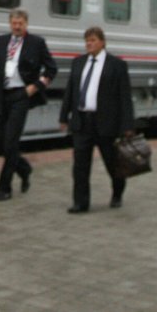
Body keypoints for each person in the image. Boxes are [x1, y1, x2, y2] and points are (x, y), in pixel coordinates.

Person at [0, 9, 57, 202]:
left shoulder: (36, 43)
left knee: (11, 141)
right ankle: (23, 168)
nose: (17, 26)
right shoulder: (1, 41)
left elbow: (51, 69)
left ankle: (4, 188)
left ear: (26, 24)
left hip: (20, 96)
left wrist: (35, 87)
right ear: (10, 23)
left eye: (20, 23)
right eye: (14, 23)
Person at [59, 26, 135, 213]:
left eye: (92, 40)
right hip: (82, 121)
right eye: (87, 41)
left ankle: (117, 193)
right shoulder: (78, 63)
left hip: (106, 122)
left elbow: (124, 97)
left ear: (102, 42)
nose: (89, 44)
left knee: (113, 163)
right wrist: (64, 116)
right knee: (80, 166)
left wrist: (127, 125)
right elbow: (70, 91)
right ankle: (81, 203)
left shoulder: (116, 65)